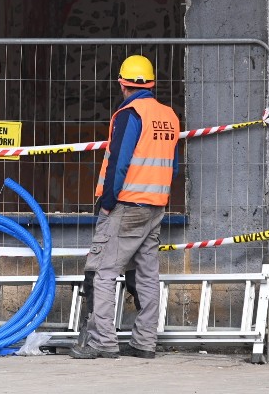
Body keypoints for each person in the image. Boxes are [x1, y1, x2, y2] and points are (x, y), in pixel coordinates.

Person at [70, 54, 181, 360]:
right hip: (156, 206)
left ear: (122, 83)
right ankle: (145, 343)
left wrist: (106, 204)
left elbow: (119, 163)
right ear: (152, 83)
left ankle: (101, 342)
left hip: (126, 204)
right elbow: (173, 166)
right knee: (147, 274)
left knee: (104, 272)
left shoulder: (129, 114)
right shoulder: (169, 116)